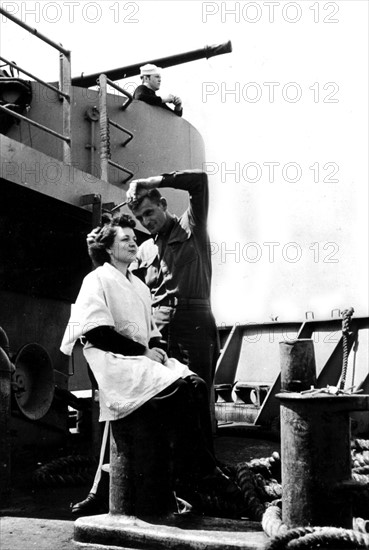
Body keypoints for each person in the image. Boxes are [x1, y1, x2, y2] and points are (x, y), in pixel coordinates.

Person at [62, 214, 235, 516]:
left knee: (196, 384)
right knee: (177, 390)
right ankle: (191, 473)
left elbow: (153, 333)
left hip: (138, 357)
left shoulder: (140, 287)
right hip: (111, 359)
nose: (133, 242)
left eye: (134, 238)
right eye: (125, 239)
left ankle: (195, 467)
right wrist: (143, 352)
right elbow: (96, 333)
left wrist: (154, 349)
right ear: (108, 248)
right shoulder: (97, 279)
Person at [126, 169, 219, 395]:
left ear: (163, 204)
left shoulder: (191, 226)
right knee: (163, 394)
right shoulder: (143, 250)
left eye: (149, 212)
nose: (146, 221)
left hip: (193, 322)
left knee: (197, 391)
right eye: (140, 218)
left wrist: (150, 180)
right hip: (157, 328)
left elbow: (199, 181)